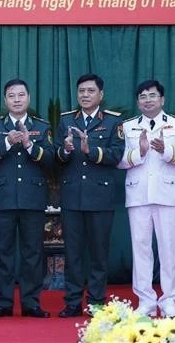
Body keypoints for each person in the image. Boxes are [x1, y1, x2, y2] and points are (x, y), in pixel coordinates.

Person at [117, 80, 175, 318]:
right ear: (137, 101)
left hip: (168, 195)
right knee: (140, 249)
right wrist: (138, 153)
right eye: (142, 96)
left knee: (170, 248)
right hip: (138, 194)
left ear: (162, 99)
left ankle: (170, 301)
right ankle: (146, 301)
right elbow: (118, 161)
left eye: (152, 95)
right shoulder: (128, 127)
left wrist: (166, 151)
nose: (147, 100)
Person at [0, 79, 55, 319]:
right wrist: (6, 142)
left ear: (29, 98)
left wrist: (29, 144)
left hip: (32, 199)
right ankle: (2, 303)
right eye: (11, 96)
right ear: (5, 100)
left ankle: (31, 303)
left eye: (21, 95)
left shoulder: (42, 127)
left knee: (32, 253)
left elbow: (51, 159)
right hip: (3, 199)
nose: (16, 99)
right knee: (3, 253)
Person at [55, 73, 125, 317]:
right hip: (72, 196)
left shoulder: (113, 122)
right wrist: (65, 149)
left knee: (98, 253)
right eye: (81, 91)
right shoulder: (66, 121)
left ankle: (96, 302)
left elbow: (117, 155)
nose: (85, 95)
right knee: (72, 253)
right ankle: (73, 302)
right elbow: (57, 156)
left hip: (100, 197)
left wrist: (91, 150)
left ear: (101, 95)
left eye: (90, 91)